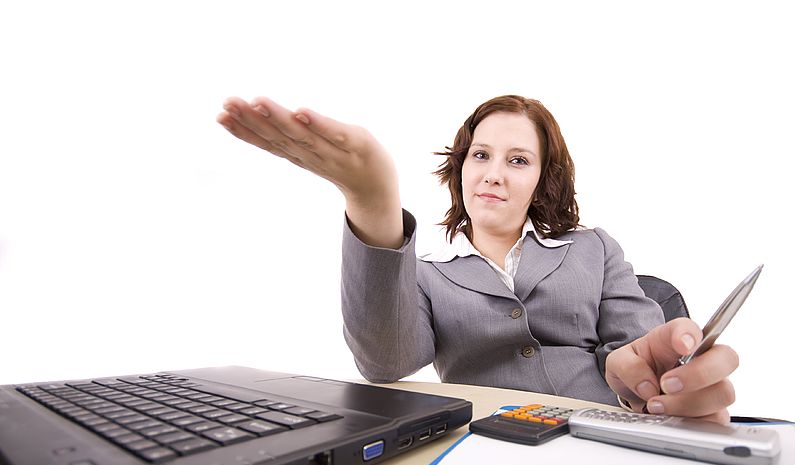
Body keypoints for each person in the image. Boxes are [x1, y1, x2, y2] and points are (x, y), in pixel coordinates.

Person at [217, 94, 738, 424]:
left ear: (540, 180)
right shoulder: (424, 273)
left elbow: (635, 345)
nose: (493, 174)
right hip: (487, 448)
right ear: (460, 166)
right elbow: (386, 361)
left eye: (518, 160)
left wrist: (642, 375)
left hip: (603, 431)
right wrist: (371, 203)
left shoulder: (593, 247)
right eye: (481, 155)